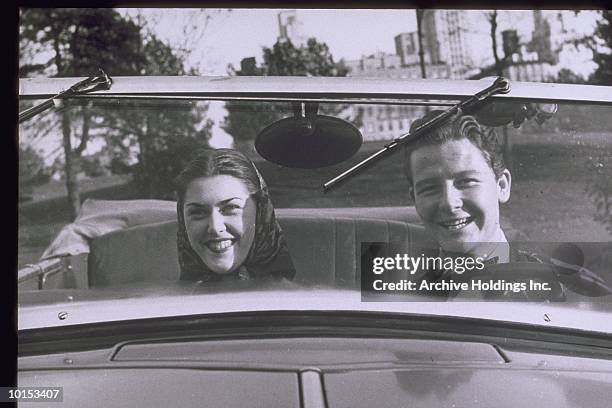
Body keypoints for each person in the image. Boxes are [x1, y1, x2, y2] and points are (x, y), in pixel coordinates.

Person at [174, 148, 296, 284]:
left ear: (261, 213)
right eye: (198, 212)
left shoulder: (291, 301)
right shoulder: (168, 300)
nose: (215, 227)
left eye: (231, 208)